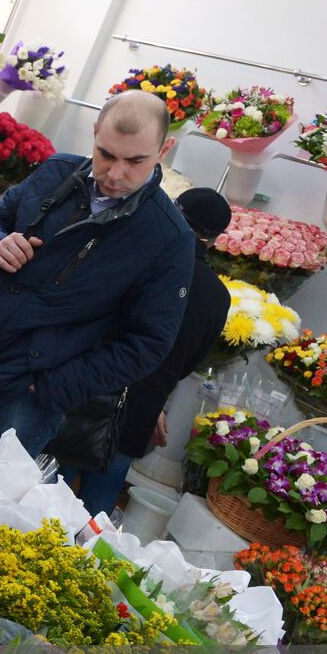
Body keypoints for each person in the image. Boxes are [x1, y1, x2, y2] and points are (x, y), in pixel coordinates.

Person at [0, 89, 195, 467]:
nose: (115, 173)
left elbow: (148, 344)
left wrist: (50, 388)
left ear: (164, 150)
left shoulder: (168, 237)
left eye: (135, 161)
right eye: (106, 153)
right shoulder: (57, 171)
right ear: (94, 132)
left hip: (25, 401)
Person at [65, 188, 233, 515]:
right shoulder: (217, 297)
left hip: (88, 390)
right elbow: (189, 363)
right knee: (96, 512)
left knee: (44, 488)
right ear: (214, 240)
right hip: (140, 412)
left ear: (173, 209)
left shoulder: (142, 255)